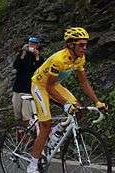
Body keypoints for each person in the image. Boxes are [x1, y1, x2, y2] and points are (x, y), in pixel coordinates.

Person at [27, 27, 107, 173]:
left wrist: (97, 101)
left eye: (86, 44)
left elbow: (83, 83)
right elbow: (49, 87)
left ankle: (58, 130)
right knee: (45, 125)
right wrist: (65, 104)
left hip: (54, 85)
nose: (85, 47)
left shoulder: (80, 58)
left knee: (79, 109)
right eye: (81, 44)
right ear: (71, 44)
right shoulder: (59, 60)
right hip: (40, 86)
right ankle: (32, 165)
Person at [12, 36, 44, 123]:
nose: (32, 46)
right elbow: (16, 66)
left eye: (34, 44)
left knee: (26, 115)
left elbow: (39, 72)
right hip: (18, 88)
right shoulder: (22, 55)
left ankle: (28, 133)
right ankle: (19, 132)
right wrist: (22, 53)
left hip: (29, 90)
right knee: (17, 114)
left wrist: (37, 57)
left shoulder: (40, 58)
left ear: (37, 46)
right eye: (30, 44)